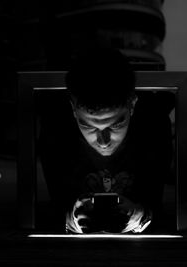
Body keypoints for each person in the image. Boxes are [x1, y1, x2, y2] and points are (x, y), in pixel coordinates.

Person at [38, 48, 173, 234]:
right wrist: (70, 218)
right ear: (73, 109)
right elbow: (52, 205)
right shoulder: (54, 131)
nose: (103, 142)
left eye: (116, 125)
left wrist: (141, 215)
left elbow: (158, 202)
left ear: (132, 104)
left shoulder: (154, 126)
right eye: (89, 127)